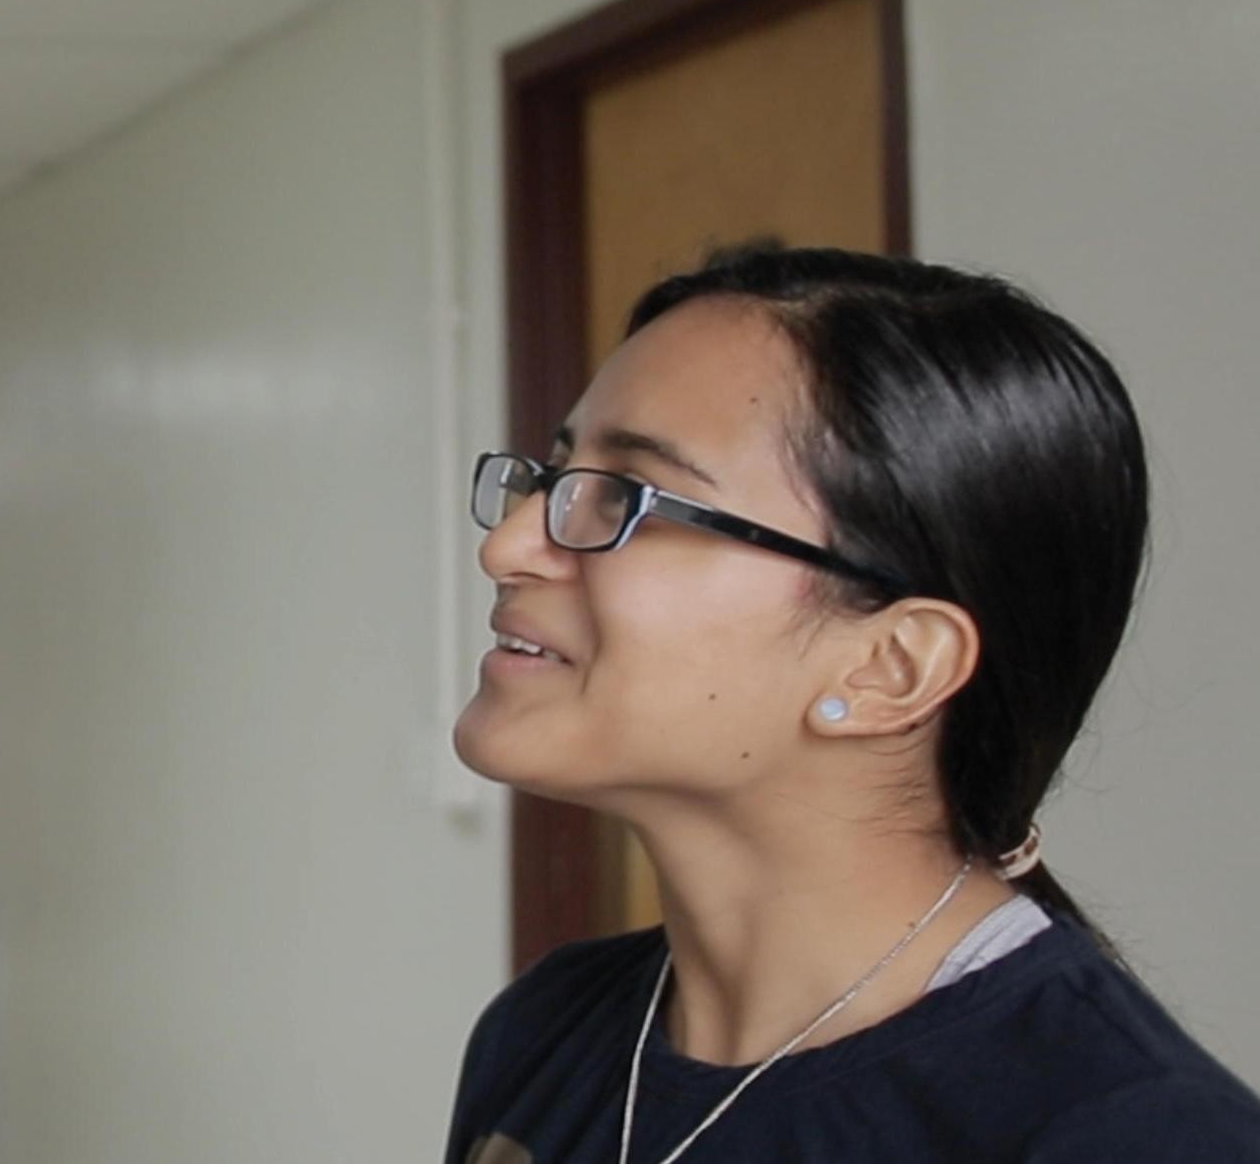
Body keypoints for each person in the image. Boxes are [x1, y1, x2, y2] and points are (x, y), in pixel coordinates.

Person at [442, 242, 1260, 1162]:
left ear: (891, 666)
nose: (510, 543)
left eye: (628, 496)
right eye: (553, 475)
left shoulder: (1127, 1134)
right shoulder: (547, 1032)